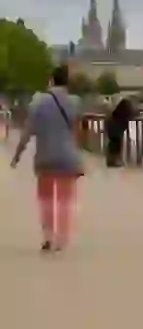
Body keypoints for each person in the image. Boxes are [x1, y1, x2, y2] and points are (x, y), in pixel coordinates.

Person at [9, 64, 86, 253]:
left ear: (51, 80)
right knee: (65, 200)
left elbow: (28, 131)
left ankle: (48, 237)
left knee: (45, 198)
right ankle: (61, 239)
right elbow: (79, 131)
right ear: (67, 81)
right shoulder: (74, 102)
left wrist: (17, 155)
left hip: (45, 157)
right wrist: (79, 152)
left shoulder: (38, 102)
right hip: (67, 157)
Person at [105, 94, 134, 167]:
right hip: (116, 127)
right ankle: (114, 161)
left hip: (112, 126)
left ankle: (111, 160)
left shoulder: (115, 111)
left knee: (113, 144)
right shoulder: (124, 108)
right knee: (116, 143)